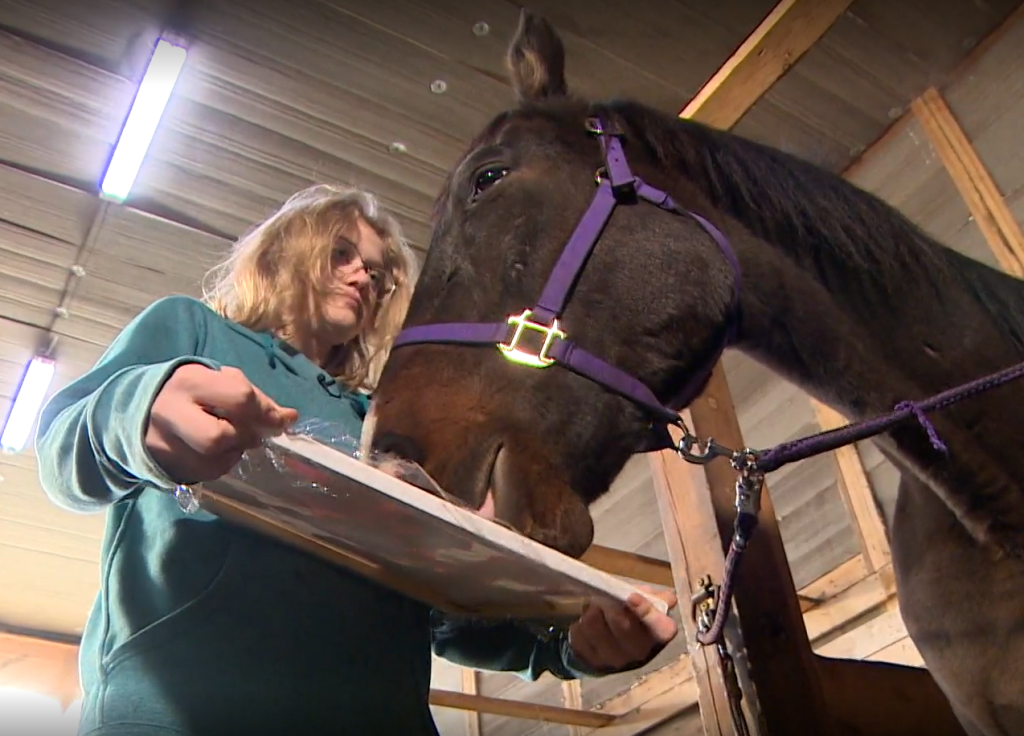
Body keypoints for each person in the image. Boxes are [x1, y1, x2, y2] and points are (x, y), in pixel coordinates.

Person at [35, 184, 678, 736]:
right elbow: (63, 444)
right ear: (289, 254)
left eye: (378, 272)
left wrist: (572, 647)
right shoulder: (193, 330)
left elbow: (446, 615)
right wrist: (137, 410)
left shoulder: (387, 417)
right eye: (342, 254)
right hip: (187, 709)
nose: (364, 276)